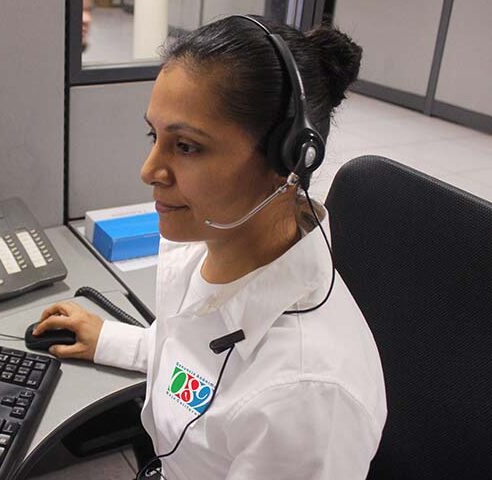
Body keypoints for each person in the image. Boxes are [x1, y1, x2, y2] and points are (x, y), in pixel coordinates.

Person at [32, 15, 387, 480]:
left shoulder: (305, 398)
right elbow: (198, 357)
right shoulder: (212, 247)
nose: (148, 170)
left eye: (186, 146)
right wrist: (111, 340)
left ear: (289, 158)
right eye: (154, 136)